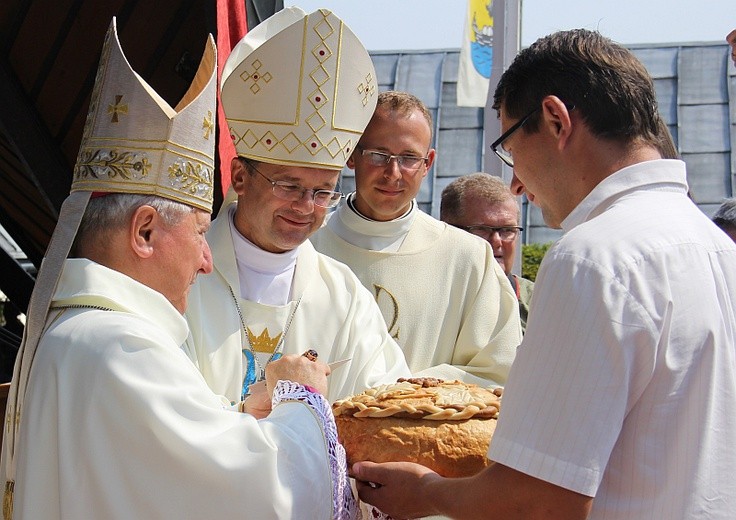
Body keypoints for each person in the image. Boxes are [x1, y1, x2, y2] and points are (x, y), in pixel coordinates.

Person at [353, 29, 736, 519]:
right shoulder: (713, 244)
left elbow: (539, 501)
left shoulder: (595, 258)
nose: (514, 180)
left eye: (511, 145)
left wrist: (425, 493)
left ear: (555, 120)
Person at [0, 19, 356, 519]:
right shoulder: (121, 349)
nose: (208, 259)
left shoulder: (76, 336)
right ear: (144, 232)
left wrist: (239, 417)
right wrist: (303, 396)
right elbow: (261, 493)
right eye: (197, 232)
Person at [183, 8, 409, 413]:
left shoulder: (344, 295)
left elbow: (382, 403)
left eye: (323, 192)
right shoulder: (182, 277)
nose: (306, 207)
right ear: (239, 176)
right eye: (289, 186)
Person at [310, 91, 521, 387]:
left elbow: (498, 373)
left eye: (409, 158)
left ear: (428, 163)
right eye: (379, 155)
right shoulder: (307, 246)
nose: (392, 173)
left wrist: (402, 393)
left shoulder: (468, 258)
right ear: (352, 155)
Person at [440, 173, 534, 333]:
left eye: (507, 230)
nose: (497, 241)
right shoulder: (426, 297)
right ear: (448, 231)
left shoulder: (539, 304)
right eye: (482, 229)